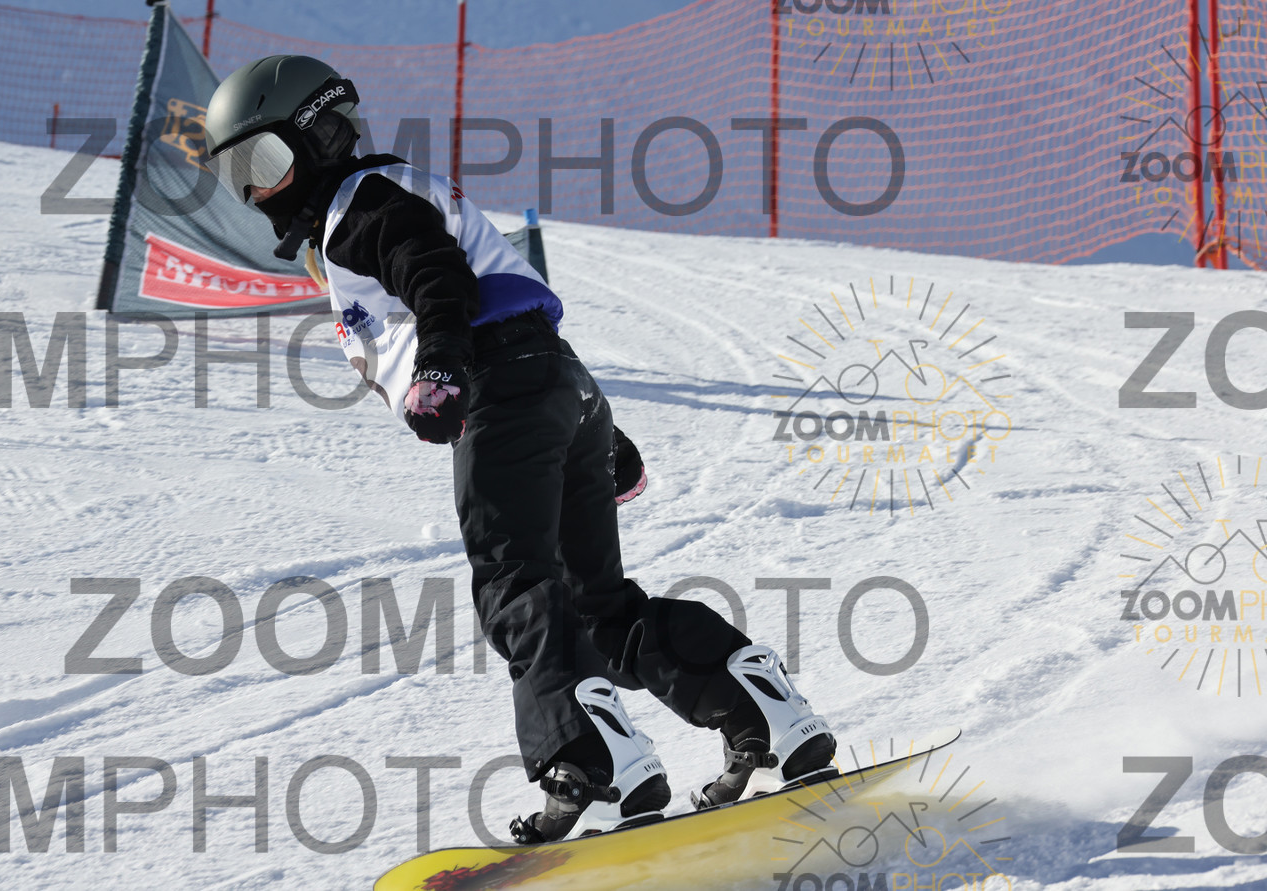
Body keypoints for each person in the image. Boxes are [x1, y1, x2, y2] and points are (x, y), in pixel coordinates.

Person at [204, 55, 836, 842]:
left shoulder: (361, 203)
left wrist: (441, 367)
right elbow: (513, 309)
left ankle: (594, 768)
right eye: (238, 175)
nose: (258, 192)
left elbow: (438, 278)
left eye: (265, 162)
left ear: (322, 134)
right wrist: (599, 432)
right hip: (555, 387)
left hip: (498, 392)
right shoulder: (383, 196)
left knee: (516, 585)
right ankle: (762, 713)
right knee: (600, 610)